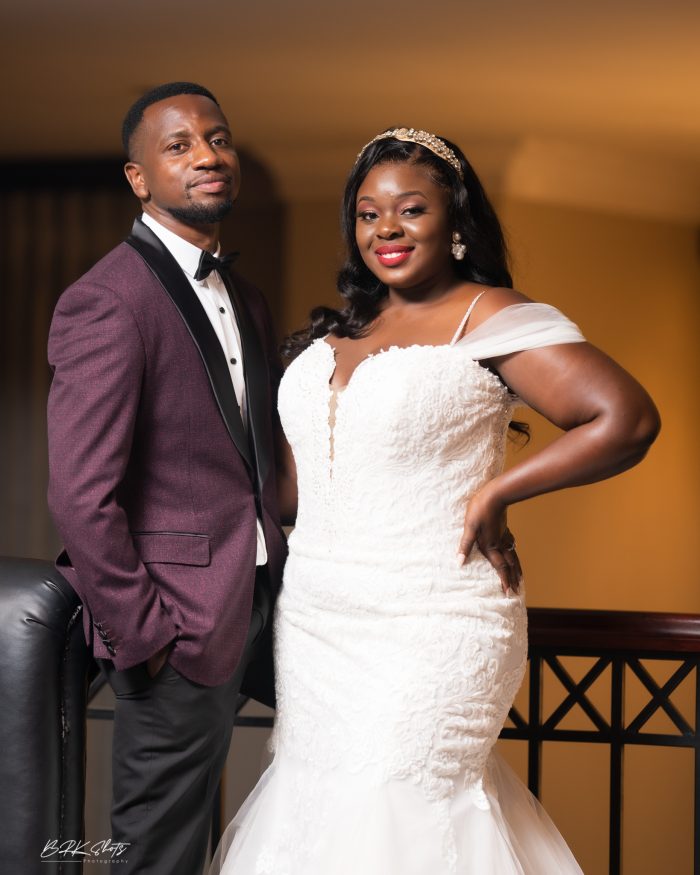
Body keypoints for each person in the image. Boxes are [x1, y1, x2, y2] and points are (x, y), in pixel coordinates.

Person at [210, 127, 660, 875]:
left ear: (455, 222)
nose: (386, 228)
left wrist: (499, 490)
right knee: (318, 806)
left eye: (410, 209)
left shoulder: (489, 316)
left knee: (399, 800)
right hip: (319, 621)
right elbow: (299, 489)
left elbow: (626, 418)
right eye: (368, 214)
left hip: (434, 618)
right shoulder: (345, 330)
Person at [47, 82, 286, 874]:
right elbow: (81, 494)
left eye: (217, 138)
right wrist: (144, 635)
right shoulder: (107, 299)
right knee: (157, 853)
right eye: (178, 146)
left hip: (266, 605)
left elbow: (250, 461)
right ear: (138, 178)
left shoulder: (244, 296)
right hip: (177, 626)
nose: (208, 155)